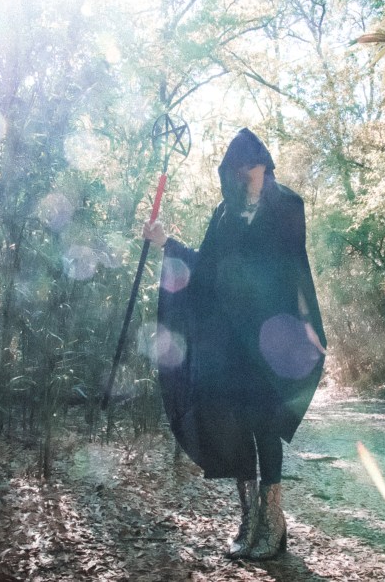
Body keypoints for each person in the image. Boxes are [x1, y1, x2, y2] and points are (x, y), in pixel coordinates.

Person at [143, 128, 327, 560]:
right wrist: (167, 243)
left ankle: (274, 523)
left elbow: (294, 269)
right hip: (229, 341)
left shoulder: (288, 206)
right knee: (235, 423)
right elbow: (205, 270)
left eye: (252, 166)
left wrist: (307, 325)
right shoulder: (223, 215)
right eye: (238, 168)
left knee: (265, 422)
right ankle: (249, 519)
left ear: (265, 166)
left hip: (270, 335)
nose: (246, 175)